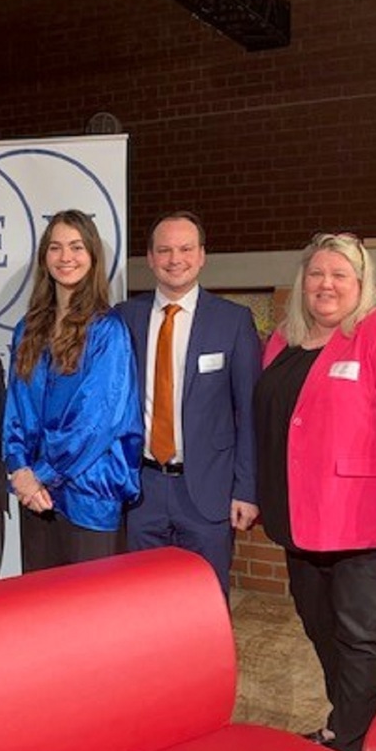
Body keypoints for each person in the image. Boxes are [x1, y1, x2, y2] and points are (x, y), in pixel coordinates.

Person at [253, 232, 376, 751]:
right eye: (316, 274)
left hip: (369, 524)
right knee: (320, 626)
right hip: (300, 519)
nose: (326, 284)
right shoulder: (284, 341)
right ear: (302, 282)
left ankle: (354, 748)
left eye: (340, 274)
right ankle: (351, 725)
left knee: (358, 634)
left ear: (361, 282)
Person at [117, 210, 261, 600]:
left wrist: (246, 489)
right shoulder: (123, 319)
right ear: (149, 258)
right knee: (142, 601)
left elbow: (249, 412)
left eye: (185, 249)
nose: (174, 259)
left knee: (206, 602)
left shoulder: (232, 321)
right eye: (164, 250)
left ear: (201, 256)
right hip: (141, 490)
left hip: (208, 493)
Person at [3, 209, 142, 571]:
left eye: (77, 247)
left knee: (90, 616)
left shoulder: (108, 330)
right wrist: (19, 469)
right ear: (44, 258)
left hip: (88, 494)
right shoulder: (27, 329)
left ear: (93, 257)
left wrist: (42, 474)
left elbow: (96, 420)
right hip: (36, 496)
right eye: (56, 247)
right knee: (42, 612)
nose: (66, 257)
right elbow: (16, 409)